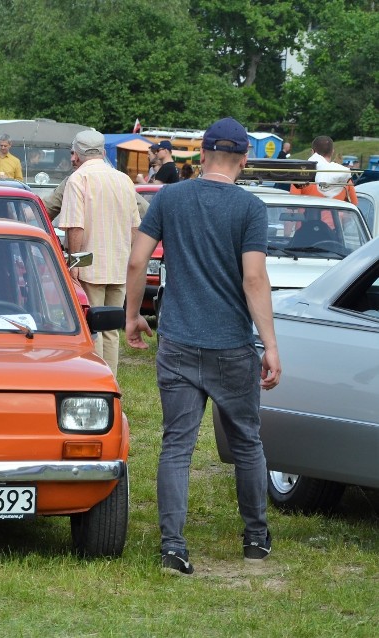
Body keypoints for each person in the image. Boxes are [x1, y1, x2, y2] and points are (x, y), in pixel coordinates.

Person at [125, 116, 281, 576]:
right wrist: (269, 345)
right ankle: (255, 538)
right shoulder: (251, 208)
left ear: (202, 155)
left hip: (177, 341)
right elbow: (254, 277)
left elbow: (138, 260)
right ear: (245, 159)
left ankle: (173, 547)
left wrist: (134, 315)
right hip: (232, 345)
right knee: (247, 443)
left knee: (177, 445)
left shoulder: (170, 197)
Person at [55, 129, 139, 374]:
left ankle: (96, 380)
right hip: (120, 265)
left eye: (72, 154)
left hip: (89, 266)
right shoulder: (124, 179)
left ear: (79, 155)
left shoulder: (78, 179)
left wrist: (75, 265)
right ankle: (111, 379)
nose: (72, 159)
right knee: (111, 329)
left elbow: (75, 226)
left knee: (93, 328)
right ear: (102, 153)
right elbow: (135, 228)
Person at [292, 135, 357, 202]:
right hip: (335, 212)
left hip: (307, 212)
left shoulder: (300, 176)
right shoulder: (344, 176)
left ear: (312, 152)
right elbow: (354, 203)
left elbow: (293, 204)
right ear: (332, 152)